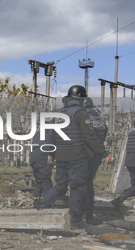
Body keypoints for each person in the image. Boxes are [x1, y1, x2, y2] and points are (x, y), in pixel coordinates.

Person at [38, 85, 105, 228]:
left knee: (61, 185)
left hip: (61, 156)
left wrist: (51, 153)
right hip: (77, 156)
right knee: (77, 187)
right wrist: (102, 151)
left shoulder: (59, 114)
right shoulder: (81, 113)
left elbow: (51, 136)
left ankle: (43, 205)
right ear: (81, 99)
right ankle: (75, 220)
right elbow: (89, 136)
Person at [83, 97, 109, 224]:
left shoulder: (84, 118)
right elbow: (103, 137)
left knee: (81, 184)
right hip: (97, 156)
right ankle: (89, 214)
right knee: (89, 184)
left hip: (85, 155)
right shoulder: (102, 120)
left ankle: (82, 214)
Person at [29, 129, 53, 209]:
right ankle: (46, 206)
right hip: (43, 155)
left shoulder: (38, 132)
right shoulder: (52, 130)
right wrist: (50, 154)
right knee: (46, 182)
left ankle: (37, 205)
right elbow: (51, 142)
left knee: (39, 183)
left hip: (33, 157)